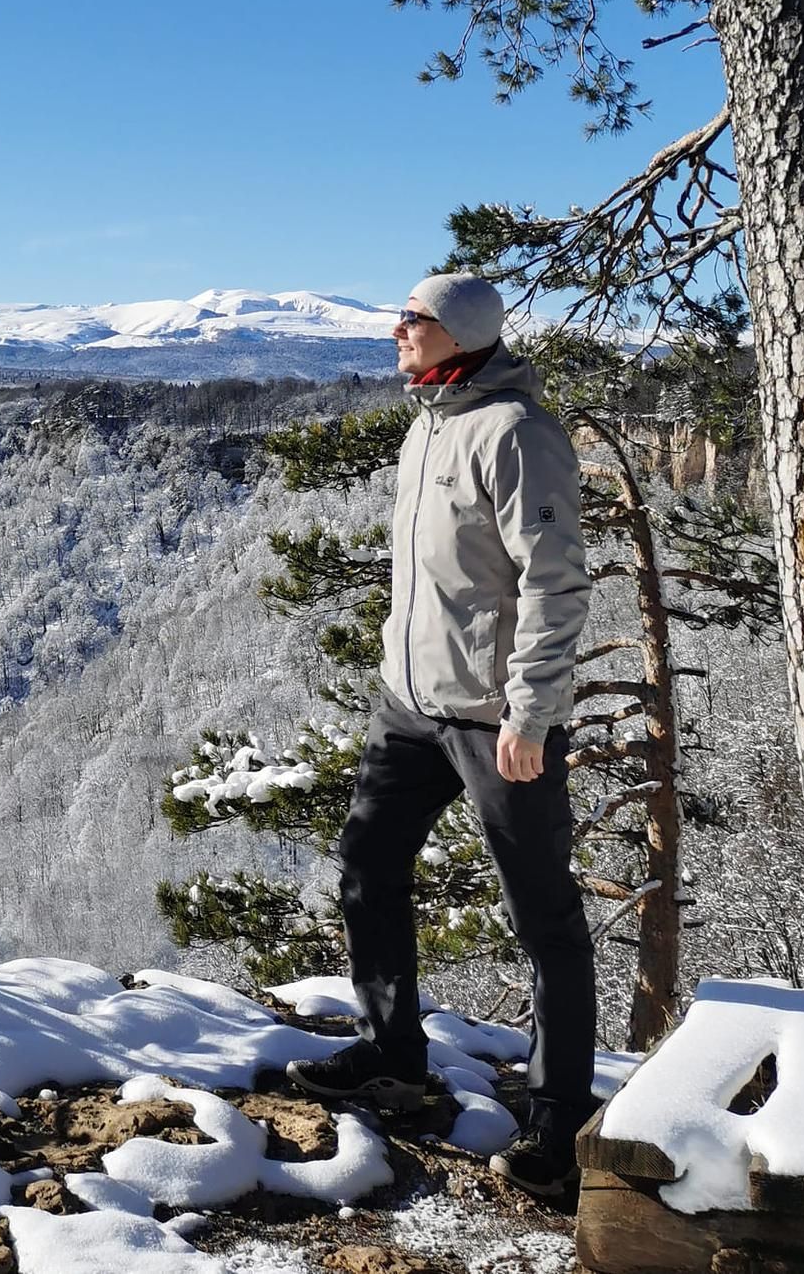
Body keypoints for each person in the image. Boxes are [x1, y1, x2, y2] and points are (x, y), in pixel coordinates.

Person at [285, 273, 597, 1197]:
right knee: (366, 867)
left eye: (412, 319)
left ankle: (560, 1123)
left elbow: (556, 581)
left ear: (457, 331)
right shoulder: (431, 421)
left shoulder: (516, 433)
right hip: (410, 706)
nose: (396, 330)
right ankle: (393, 1057)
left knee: (543, 914)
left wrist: (531, 713)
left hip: (496, 718)